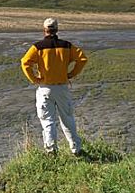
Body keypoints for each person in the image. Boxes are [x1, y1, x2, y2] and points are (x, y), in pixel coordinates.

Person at [20, 18, 88, 155]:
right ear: (57, 30)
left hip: (45, 88)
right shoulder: (67, 46)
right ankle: (76, 149)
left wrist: (34, 79)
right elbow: (82, 59)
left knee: (48, 120)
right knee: (67, 119)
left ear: (44, 30)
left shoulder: (37, 47)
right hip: (62, 87)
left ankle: (51, 151)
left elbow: (25, 62)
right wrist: (70, 74)